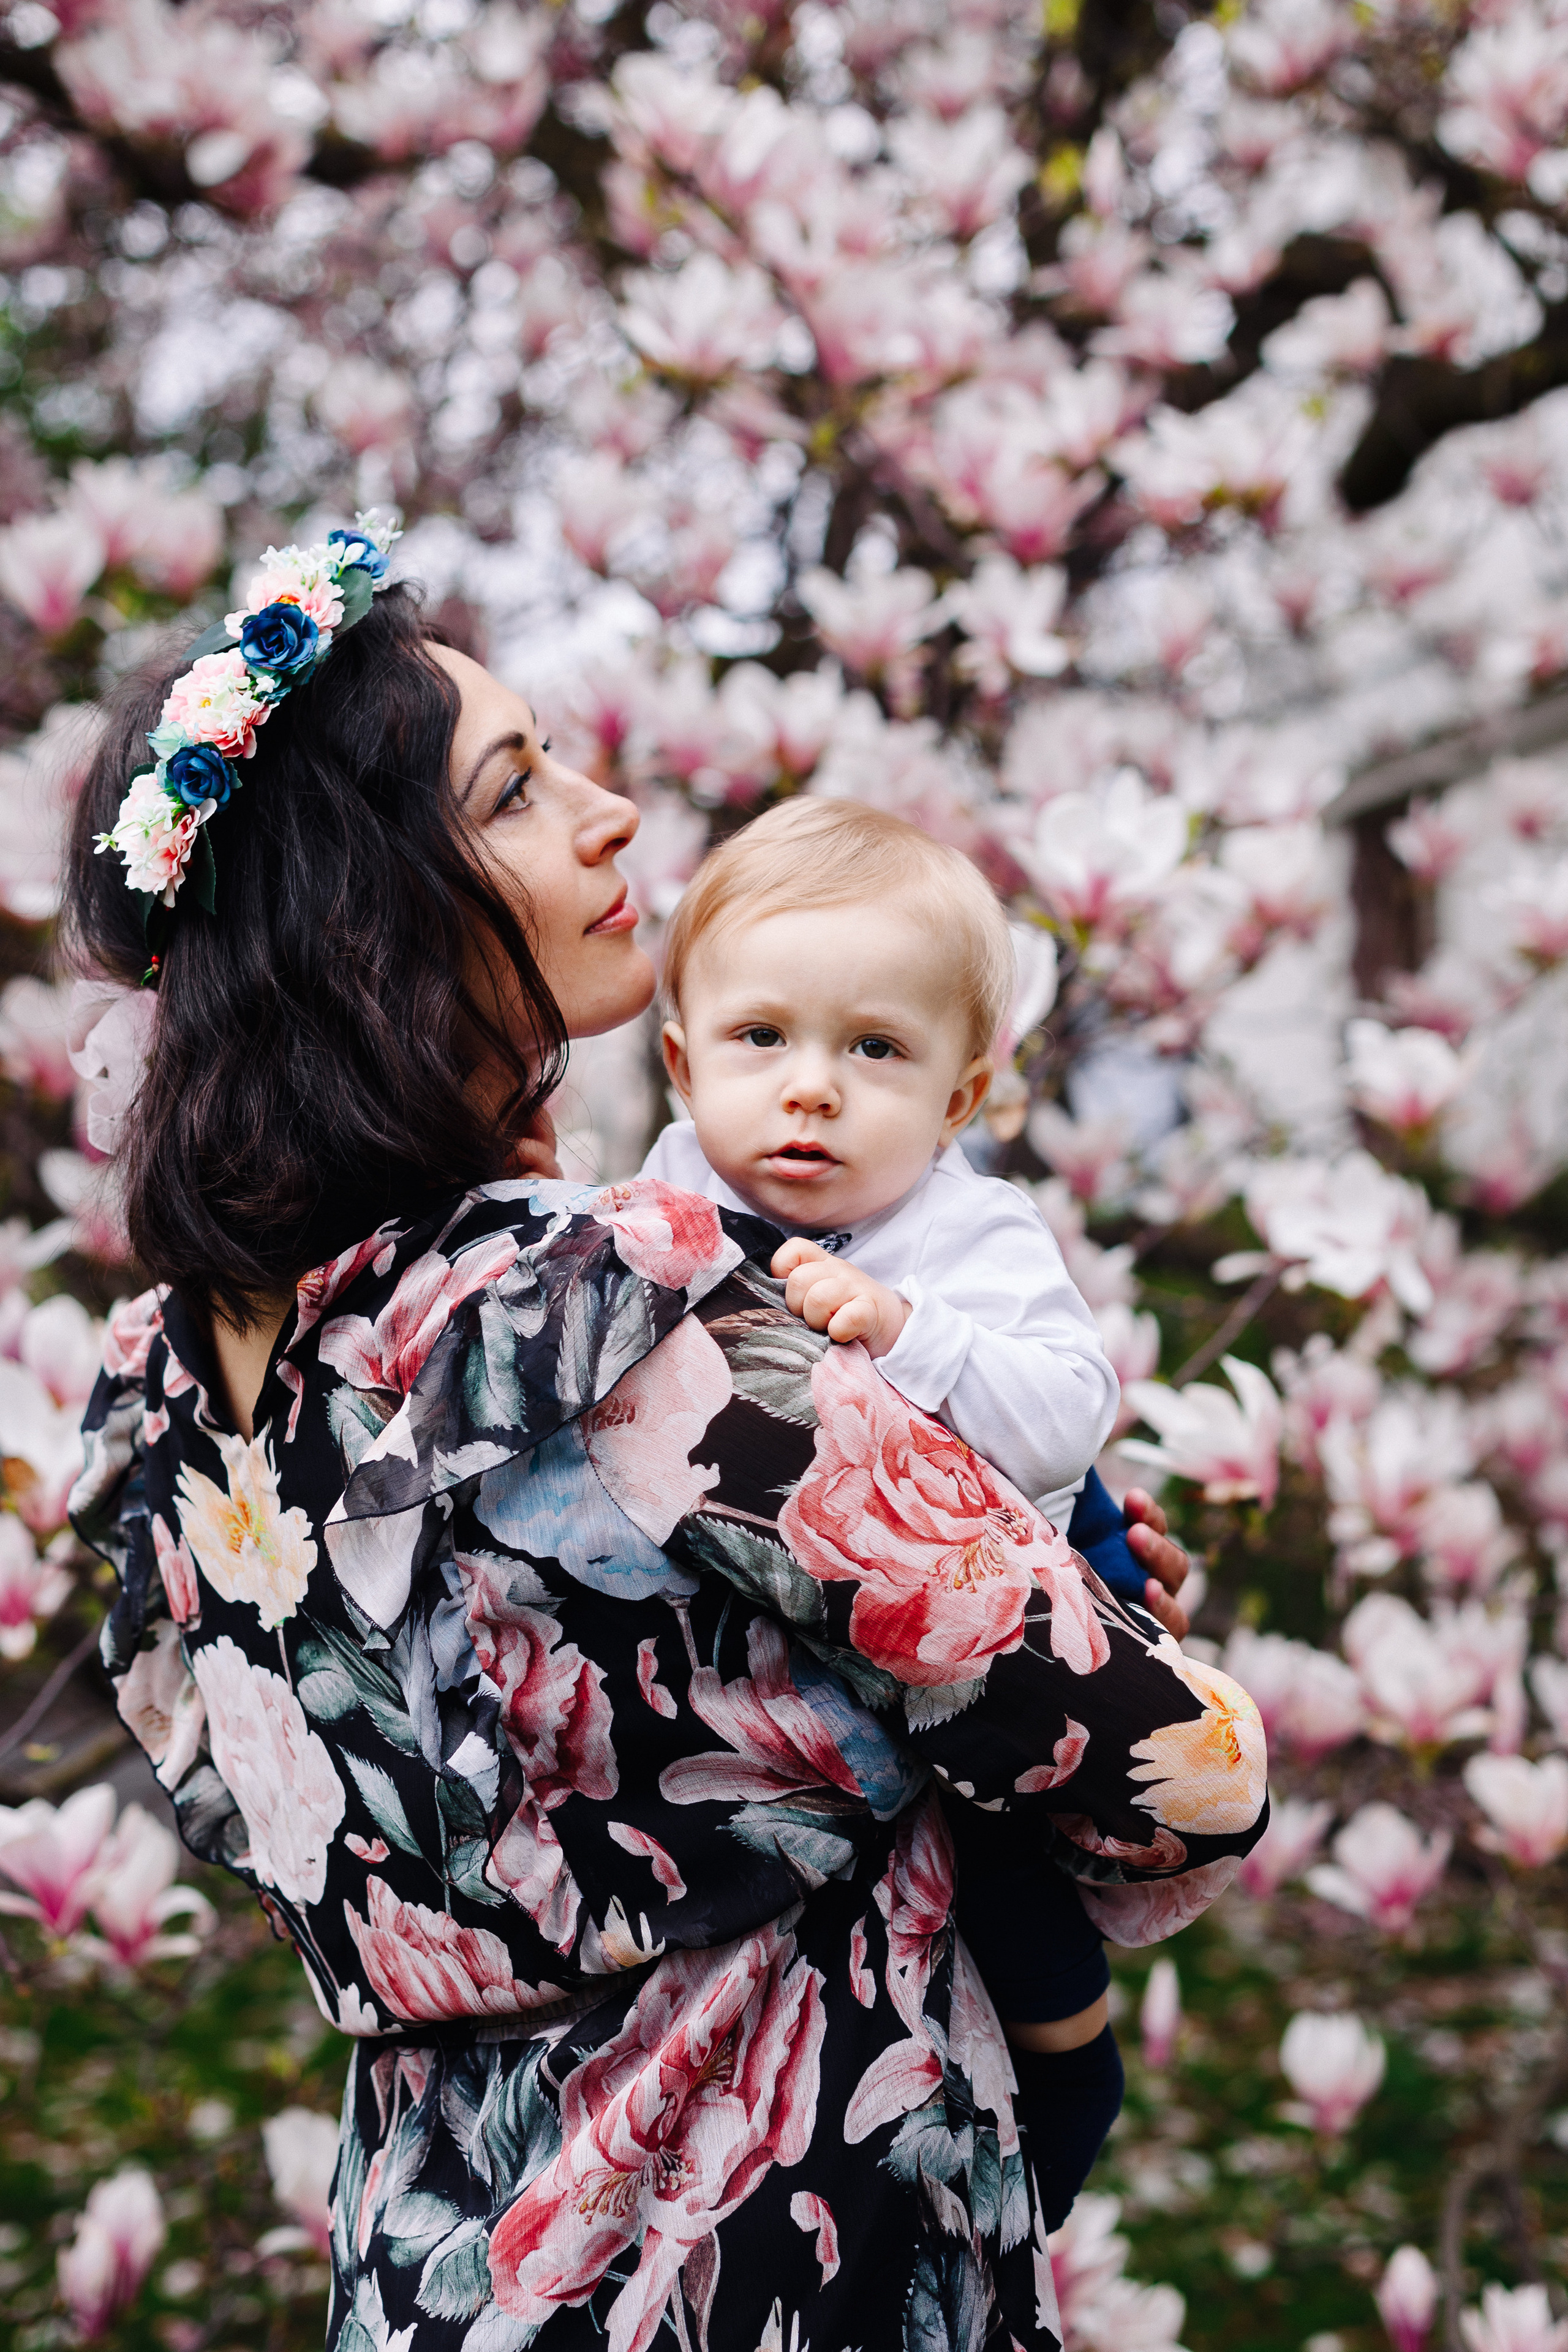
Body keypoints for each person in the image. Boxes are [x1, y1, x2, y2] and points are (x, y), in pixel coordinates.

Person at [67, 535, 1267, 2352]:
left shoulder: (154, 1395)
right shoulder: (608, 1306)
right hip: (778, 2244)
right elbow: (1169, 1764)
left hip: (434, 2264)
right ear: (372, 910)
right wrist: (1050, 1589)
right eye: (521, 788)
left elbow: (340, 1829)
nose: (613, 812)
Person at [641, 797, 1150, 2225]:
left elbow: (1066, 1408)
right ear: (681, 1064)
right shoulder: (659, 1204)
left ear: (958, 1100)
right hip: (813, 1645)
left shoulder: (961, 1231)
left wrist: (908, 1331)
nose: (811, 1089)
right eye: (762, 1039)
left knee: (1000, 1869)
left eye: (874, 1049)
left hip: (1005, 1600)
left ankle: (1062, 2082)